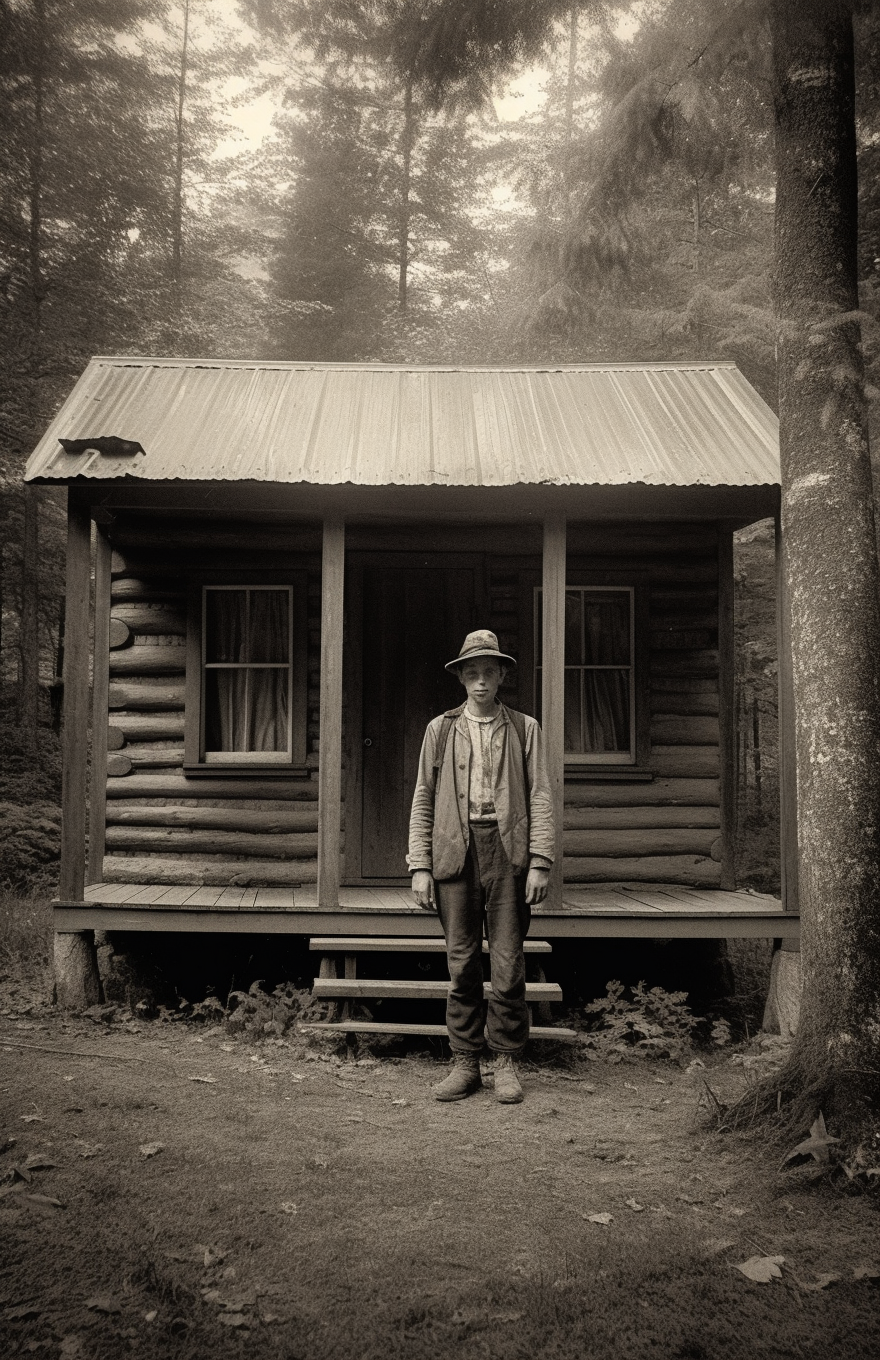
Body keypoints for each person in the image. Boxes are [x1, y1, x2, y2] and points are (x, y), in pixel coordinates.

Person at [408, 629, 555, 1103]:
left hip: (508, 850)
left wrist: (540, 860)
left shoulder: (524, 728)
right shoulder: (441, 729)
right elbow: (423, 799)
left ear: (502, 676)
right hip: (455, 851)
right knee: (462, 962)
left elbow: (541, 796)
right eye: (472, 673)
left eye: (489, 672)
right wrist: (420, 865)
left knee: (509, 961)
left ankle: (506, 1060)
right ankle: (466, 1061)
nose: (480, 681)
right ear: (461, 679)